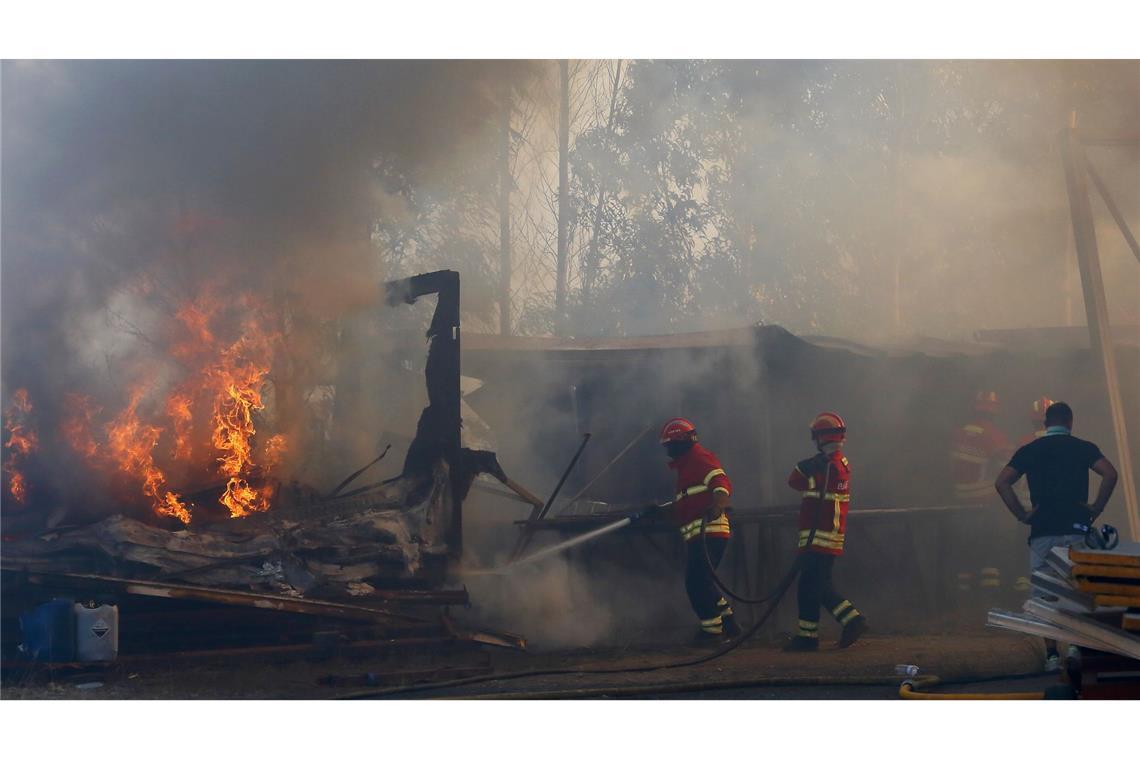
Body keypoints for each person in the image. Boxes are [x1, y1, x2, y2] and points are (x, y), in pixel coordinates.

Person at [994, 401, 1119, 672]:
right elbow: (1110, 473)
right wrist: (1096, 508)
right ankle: (1075, 646)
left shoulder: (1030, 450)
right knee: (1076, 590)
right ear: (1070, 422)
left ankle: (1051, 656)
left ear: (1045, 424)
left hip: (1042, 532)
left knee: (1044, 595)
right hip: (1076, 528)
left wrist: (1022, 514)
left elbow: (1001, 482)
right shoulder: (1083, 447)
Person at [784, 412, 867, 652]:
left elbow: (794, 481)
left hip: (819, 537)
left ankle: (852, 620)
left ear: (819, 438)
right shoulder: (839, 464)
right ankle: (807, 636)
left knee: (816, 587)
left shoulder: (825, 468)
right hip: (826, 536)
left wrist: (805, 465)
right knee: (812, 585)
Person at [659, 417, 741, 643]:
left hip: (709, 533)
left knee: (695, 583)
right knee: (703, 581)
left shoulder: (700, 458)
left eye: (670, 445)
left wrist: (717, 506)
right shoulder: (686, 467)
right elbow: (688, 503)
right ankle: (729, 623)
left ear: (681, 442)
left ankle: (712, 631)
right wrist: (660, 513)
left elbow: (721, 484)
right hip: (700, 535)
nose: (668, 451)